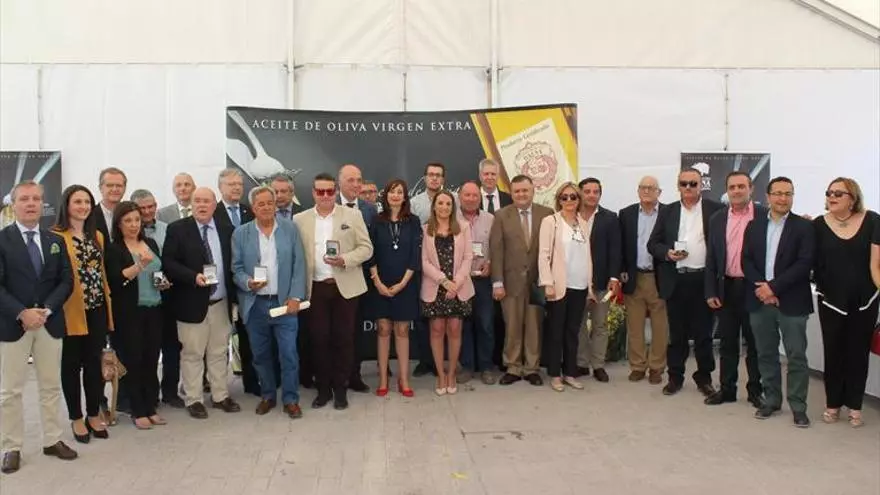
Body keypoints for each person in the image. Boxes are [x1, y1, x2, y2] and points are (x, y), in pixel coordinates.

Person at [0, 181, 76, 474]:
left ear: (43, 204)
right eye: (24, 199)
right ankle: (11, 447)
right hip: (12, 325)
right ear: (14, 204)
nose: (31, 204)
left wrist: (47, 310)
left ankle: (52, 440)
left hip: (49, 323)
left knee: (50, 386)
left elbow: (66, 281)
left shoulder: (54, 240)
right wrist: (22, 312)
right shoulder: (3, 239)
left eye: (35, 199)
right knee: (10, 391)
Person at [293, 173, 373, 410]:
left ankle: (341, 389)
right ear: (313, 193)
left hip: (344, 287)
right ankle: (323, 389)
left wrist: (345, 259)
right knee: (319, 340)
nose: (325, 195)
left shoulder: (352, 215)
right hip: (315, 288)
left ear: (336, 192)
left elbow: (366, 248)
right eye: (321, 191)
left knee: (344, 339)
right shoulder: (300, 219)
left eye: (330, 191)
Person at [162, 187, 241, 419]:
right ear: (191, 204)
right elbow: (169, 262)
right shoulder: (177, 229)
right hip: (190, 303)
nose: (202, 205)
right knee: (192, 354)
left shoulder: (227, 230)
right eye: (197, 201)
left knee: (219, 352)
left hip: (220, 302)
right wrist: (192, 277)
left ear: (215, 205)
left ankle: (220, 396)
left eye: (207, 201)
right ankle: (194, 399)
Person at [742, 177, 814, 427]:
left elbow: (804, 263)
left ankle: (798, 406)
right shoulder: (754, 225)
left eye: (788, 194)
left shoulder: (804, 227)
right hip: (760, 300)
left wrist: (773, 287)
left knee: (796, 355)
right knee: (766, 353)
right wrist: (763, 289)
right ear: (768, 196)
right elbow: (746, 260)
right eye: (778, 193)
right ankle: (771, 400)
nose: (783, 198)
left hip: (792, 301)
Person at [232, 186, 307, 419]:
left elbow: (299, 265)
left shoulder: (290, 229)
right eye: (260, 204)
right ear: (253, 208)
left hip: (284, 303)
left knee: (289, 354)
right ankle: (267, 395)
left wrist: (295, 296)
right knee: (261, 355)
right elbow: (236, 269)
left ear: (276, 205)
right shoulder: (241, 233)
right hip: (255, 304)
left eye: (269, 203)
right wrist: (248, 282)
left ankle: (291, 399)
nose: (266, 207)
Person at [647, 169, 723, 398]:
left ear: (701, 185)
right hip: (676, 280)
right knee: (677, 335)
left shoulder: (716, 210)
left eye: (693, 183)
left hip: (703, 280)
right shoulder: (668, 211)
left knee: (704, 335)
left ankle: (704, 378)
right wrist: (667, 253)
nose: (688, 188)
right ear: (678, 186)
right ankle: (675, 377)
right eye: (684, 183)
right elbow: (653, 244)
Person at [813, 177, 880, 428]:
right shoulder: (818, 225)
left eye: (838, 193)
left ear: (852, 198)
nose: (832, 197)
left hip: (865, 301)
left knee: (858, 354)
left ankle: (855, 406)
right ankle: (832, 405)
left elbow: (876, 265)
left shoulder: (873, 220)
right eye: (829, 192)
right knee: (833, 353)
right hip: (831, 300)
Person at [52, 185, 114, 443]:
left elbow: (101, 273)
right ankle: (76, 418)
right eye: (77, 202)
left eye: (87, 202)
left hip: (97, 308)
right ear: (66, 205)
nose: (83, 207)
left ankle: (93, 414)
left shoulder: (96, 236)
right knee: (70, 366)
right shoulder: (55, 236)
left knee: (93, 364)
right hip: (70, 311)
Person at [703, 172, 764, 408]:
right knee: (727, 343)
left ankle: (755, 391)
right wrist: (711, 291)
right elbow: (712, 258)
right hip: (726, 287)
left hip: (754, 288)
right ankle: (727, 389)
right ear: (727, 190)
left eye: (741, 186)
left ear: (751, 189)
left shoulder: (763, 215)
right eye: (732, 187)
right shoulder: (717, 218)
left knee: (755, 343)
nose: (736, 191)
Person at [105, 201, 168, 429]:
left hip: (155, 309)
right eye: (128, 221)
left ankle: (151, 406)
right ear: (119, 224)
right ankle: (137, 410)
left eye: (137, 220)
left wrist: (163, 283)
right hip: (129, 313)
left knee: (151, 360)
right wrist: (139, 265)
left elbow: (158, 271)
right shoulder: (114, 248)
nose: (133, 225)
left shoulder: (150, 243)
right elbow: (116, 280)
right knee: (134, 361)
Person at [490, 175, 554, 386]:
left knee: (534, 326)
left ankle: (532, 368)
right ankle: (513, 367)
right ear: (511, 193)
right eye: (517, 191)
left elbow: (553, 249)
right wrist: (497, 282)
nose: (521, 194)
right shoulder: (501, 216)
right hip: (510, 282)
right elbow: (496, 251)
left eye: (525, 190)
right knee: (512, 326)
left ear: (533, 191)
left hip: (537, 282)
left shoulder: (547, 214)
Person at [366, 179, 420, 397]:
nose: (395, 195)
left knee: (402, 330)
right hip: (380, 283)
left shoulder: (413, 221)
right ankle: (382, 379)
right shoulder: (376, 221)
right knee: (383, 329)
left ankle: (404, 379)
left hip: (405, 283)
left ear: (405, 197)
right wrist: (377, 282)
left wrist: (402, 283)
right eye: (392, 192)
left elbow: (415, 256)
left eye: (399, 192)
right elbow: (370, 253)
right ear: (385, 195)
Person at [131, 188, 183, 408]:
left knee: (172, 347)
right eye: (142, 208)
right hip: (141, 297)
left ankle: (170, 392)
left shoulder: (167, 228)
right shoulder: (128, 232)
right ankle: (148, 394)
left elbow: (173, 258)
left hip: (169, 295)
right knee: (146, 349)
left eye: (151, 206)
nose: (147, 211)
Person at [538, 182, 593, 392]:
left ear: (579, 200)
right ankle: (555, 374)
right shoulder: (550, 222)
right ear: (558, 200)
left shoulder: (583, 223)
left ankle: (570, 373)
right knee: (556, 332)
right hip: (559, 286)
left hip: (580, 285)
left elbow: (587, 256)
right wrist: (547, 282)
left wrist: (589, 287)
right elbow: (543, 254)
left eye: (573, 197)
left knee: (573, 332)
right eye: (564, 197)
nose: (569, 200)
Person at [421, 191, 474, 395]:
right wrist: (443, 281)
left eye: (448, 204)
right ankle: (441, 375)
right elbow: (424, 261)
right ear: (434, 206)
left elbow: (468, 258)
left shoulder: (463, 228)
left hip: (458, 288)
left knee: (454, 329)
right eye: (440, 203)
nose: (444, 207)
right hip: (435, 288)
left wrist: (456, 283)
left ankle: (451, 373)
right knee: (436, 330)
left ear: (453, 207)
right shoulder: (425, 229)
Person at [213, 168, 258, 396]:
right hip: (221, 285)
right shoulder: (213, 212)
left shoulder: (250, 211)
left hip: (247, 284)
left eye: (239, 184)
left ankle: (251, 382)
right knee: (219, 341)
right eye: (231, 184)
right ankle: (218, 387)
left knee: (248, 336)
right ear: (220, 187)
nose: (237, 188)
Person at [618, 176, 668, 384]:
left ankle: (656, 367)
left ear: (659, 192)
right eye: (643, 187)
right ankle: (638, 366)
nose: (646, 191)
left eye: (651, 188)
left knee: (660, 326)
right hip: (634, 277)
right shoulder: (626, 214)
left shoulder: (669, 213)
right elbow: (621, 245)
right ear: (638, 191)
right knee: (635, 325)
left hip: (658, 277)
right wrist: (621, 270)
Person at [336, 163, 378, 393]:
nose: (356, 184)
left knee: (356, 331)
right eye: (350, 180)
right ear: (339, 182)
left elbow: (372, 246)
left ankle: (354, 375)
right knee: (335, 332)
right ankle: (335, 376)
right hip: (333, 280)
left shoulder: (369, 210)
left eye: (359, 180)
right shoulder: (329, 206)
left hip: (361, 281)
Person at [576, 178, 621, 382]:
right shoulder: (571, 216)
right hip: (576, 281)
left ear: (600, 194)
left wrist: (614, 277)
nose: (591, 195)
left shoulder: (610, 218)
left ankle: (598, 365)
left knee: (600, 325)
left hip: (601, 281)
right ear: (580, 193)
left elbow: (615, 250)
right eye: (587, 191)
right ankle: (581, 363)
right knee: (578, 325)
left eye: (596, 192)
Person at [457, 181, 497, 385]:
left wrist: (491, 263)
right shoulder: (452, 218)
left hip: (483, 280)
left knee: (486, 323)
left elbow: (497, 247)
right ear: (460, 197)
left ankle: (486, 366)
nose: (471, 199)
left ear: (479, 198)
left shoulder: (490, 219)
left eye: (475, 195)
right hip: (461, 280)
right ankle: (467, 366)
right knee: (463, 325)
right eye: (467, 195)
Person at [94, 167, 127, 241]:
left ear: (125, 188)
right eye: (109, 185)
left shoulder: (132, 215)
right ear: (100, 188)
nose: (114, 189)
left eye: (119, 185)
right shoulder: (89, 215)